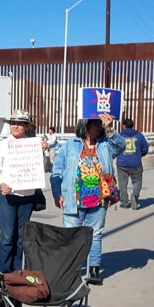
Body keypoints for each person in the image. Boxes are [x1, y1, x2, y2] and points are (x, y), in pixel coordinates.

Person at [51, 113, 124, 285]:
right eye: (96, 123)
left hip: (99, 199)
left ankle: (94, 269)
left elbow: (121, 147)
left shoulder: (105, 144)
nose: (99, 127)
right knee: (71, 236)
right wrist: (56, 192)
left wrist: (110, 129)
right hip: (73, 198)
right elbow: (57, 170)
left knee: (95, 234)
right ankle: (71, 271)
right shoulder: (71, 144)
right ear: (85, 124)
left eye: (101, 124)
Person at [0, 109, 41, 272]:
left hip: (27, 196)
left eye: (19, 123)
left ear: (26, 126)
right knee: (7, 237)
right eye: (13, 123)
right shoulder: (3, 145)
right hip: (7, 196)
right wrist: (0, 183)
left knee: (21, 238)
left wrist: (43, 148)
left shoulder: (33, 144)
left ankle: (18, 270)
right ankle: (4, 273)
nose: (15, 126)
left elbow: (40, 165)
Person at [116, 117, 150, 209]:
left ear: (123, 126)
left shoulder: (119, 136)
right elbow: (145, 149)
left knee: (122, 183)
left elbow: (115, 147)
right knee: (137, 181)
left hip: (122, 163)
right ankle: (135, 195)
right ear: (132, 125)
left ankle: (124, 201)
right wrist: (139, 154)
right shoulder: (139, 136)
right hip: (136, 163)